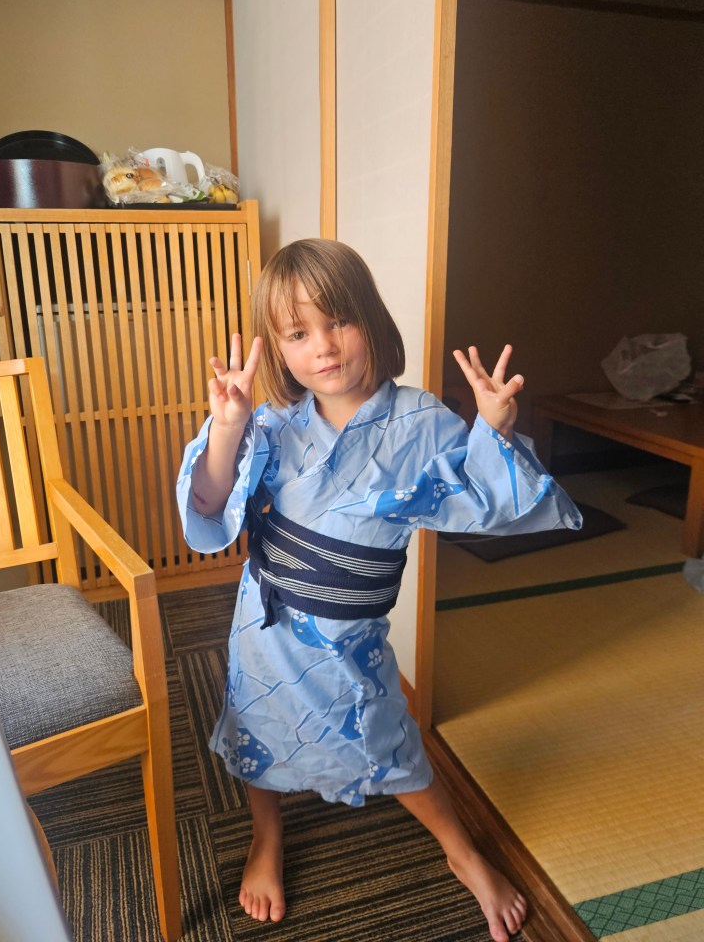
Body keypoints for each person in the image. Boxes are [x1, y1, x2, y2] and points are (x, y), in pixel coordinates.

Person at [176, 238, 581, 942]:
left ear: (372, 320)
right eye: (298, 334)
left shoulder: (421, 422)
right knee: (257, 731)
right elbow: (208, 506)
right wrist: (230, 425)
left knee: (390, 741)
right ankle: (264, 837)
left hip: (351, 635)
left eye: (339, 321)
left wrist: (494, 428)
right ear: (277, 349)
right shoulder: (271, 425)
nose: (324, 347)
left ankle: (462, 853)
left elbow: (486, 497)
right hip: (266, 624)